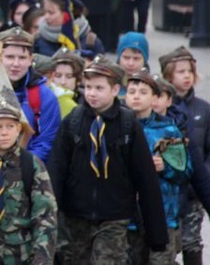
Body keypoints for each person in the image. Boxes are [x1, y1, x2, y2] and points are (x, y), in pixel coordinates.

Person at [47, 57, 168, 263]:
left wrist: (156, 234)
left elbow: (146, 179)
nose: (92, 93)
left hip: (114, 215)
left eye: (99, 88)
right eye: (88, 87)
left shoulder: (128, 125)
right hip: (76, 214)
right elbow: (56, 170)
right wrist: (51, 216)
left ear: (115, 90)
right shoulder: (73, 121)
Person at [0, 86, 57, 264]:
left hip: (21, 256)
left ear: (19, 129)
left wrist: (42, 258)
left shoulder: (31, 164)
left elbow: (45, 215)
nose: (4, 132)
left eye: (10, 126)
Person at [0, 27, 61, 162]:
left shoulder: (44, 96)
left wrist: (23, 167)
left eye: (22, 57)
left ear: (31, 59)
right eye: (9, 57)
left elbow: (45, 142)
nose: (16, 64)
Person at [124, 70, 192, 264]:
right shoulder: (119, 126)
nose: (136, 96)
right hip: (127, 218)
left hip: (163, 215)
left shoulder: (168, 130)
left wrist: (166, 167)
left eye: (143, 92)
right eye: (132, 91)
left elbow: (185, 171)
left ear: (154, 97)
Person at [159, 46, 209, 265]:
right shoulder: (160, 109)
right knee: (167, 243)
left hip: (193, 191)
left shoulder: (204, 109)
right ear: (168, 74)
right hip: (168, 189)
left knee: (191, 241)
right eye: (180, 71)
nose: (186, 76)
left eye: (189, 71)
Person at [34, 0, 104, 57]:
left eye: (51, 13)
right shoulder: (38, 40)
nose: (46, 17)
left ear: (67, 14)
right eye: (44, 12)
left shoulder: (90, 41)